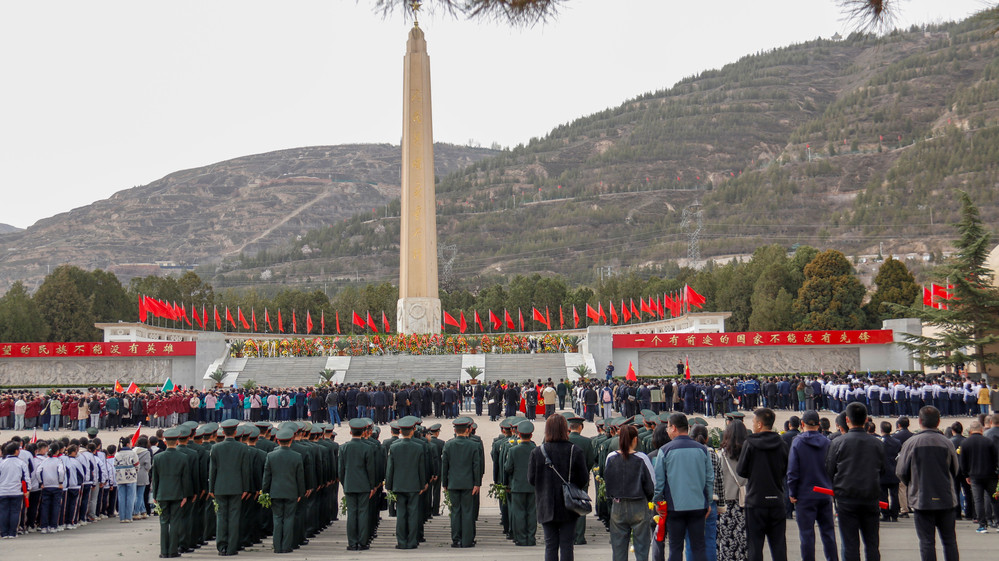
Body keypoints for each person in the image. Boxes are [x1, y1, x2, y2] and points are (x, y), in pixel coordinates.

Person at [897, 406, 960, 561]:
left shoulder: (911, 443)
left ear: (919, 421)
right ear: (938, 422)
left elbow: (901, 472)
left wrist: (912, 484)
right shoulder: (947, 443)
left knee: (926, 542)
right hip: (945, 497)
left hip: (921, 498)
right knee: (950, 541)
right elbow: (955, 469)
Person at [826, 402, 885, 561]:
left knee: (850, 544)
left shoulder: (838, 442)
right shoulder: (877, 443)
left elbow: (829, 470)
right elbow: (884, 470)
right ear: (866, 419)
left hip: (846, 498)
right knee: (872, 544)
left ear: (847, 419)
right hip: (870, 497)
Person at [529, 414, 588, 561]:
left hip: (546, 503)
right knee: (567, 544)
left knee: (550, 545)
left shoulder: (537, 452)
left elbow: (531, 479)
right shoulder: (575, 451)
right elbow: (583, 479)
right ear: (565, 429)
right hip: (568, 504)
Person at [737, 408, 789, 561]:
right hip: (777, 499)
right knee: (779, 546)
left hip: (755, 500)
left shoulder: (750, 443)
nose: (752, 425)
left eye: (753, 422)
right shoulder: (782, 443)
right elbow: (786, 469)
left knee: (755, 546)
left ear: (759, 424)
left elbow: (741, 470)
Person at [786, 410, 837, 561]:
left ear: (802, 424)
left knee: (806, 534)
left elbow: (793, 470)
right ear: (819, 424)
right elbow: (833, 468)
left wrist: (792, 492)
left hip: (805, 494)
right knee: (828, 533)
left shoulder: (798, 442)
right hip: (824, 492)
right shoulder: (828, 442)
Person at [607, 424, 654, 561]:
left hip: (618, 505)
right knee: (642, 548)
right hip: (638, 504)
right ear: (635, 440)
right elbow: (651, 485)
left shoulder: (611, 458)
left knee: (618, 548)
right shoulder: (642, 458)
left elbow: (608, 481)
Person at [385, 415, 428, 550]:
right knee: (413, 513)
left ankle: (401, 541)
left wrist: (389, 485)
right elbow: (421, 468)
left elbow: (390, 469)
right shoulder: (418, 447)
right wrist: (423, 484)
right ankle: (412, 541)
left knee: (401, 514)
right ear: (413, 430)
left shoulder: (394, 447)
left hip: (399, 485)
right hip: (414, 485)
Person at [209, 418, 251, 556]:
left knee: (221, 516)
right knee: (234, 517)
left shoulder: (215, 447)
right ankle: (232, 546)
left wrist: (211, 488)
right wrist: (246, 488)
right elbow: (245, 470)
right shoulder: (243, 447)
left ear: (223, 432)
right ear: (235, 432)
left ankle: (221, 546)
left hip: (220, 486)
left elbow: (212, 470)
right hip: (237, 486)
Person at [151, 428, 192, 559]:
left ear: (165, 440)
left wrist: (155, 495)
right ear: (177, 440)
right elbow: (185, 479)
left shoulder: (157, 458)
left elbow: (155, 478)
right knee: (175, 522)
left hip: (162, 493)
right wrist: (185, 495)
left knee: (163, 523)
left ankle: (164, 551)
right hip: (177, 493)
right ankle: (173, 550)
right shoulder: (183, 457)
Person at [262, 427, 304, 553]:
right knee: (289, 518)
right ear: (291, 441)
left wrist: (265, 492)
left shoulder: (270, 456)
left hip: (275, 492)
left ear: (278, 441)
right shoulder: (297, 456)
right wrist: (300, 493)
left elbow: (267, 477)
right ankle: (286, 546)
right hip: (291, 491)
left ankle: (277, 546)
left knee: (277, 518)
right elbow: (300, 477)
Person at [441, 416, 482, 548]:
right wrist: (477, 483)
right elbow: (477, 466)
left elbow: (444, 466)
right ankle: (467, 540)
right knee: (468, 511)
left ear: (455, 429)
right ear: (468, 430)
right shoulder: (474, 445)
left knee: (455, 511)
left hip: (453, 483)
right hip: (468, 483)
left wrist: (445, 483)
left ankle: (456, 539)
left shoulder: (448, 444)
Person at [716, 421, 749, 561]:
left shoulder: (722, 455)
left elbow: (717, 479)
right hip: (745, 502)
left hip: (726, 504)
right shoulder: (749, 453)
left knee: (725, 543)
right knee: (743, 543)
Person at [959, 420, 998, 533]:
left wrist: (966, 474)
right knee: (994, 499)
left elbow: (963, 462)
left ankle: (982, 525)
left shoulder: (965, 443)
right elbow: (995, 458)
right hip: (990, 475)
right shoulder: (988, 442)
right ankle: (998, 522)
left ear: (970, 431)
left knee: (978, 500)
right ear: (981, 430)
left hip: (974, 476)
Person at [506, 420, 538, 546]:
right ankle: (531, 538)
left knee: (519, 512)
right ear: (531, 435)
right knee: (532, 512)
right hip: (532, 486)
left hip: (518, 485)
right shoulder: (536, 449)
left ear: (518, 434)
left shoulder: (513, 450)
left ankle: (521, 538)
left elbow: (508, 468)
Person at [567, 414, 596, 545]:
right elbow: (591, 460)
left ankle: (568, 535)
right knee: (580, 506)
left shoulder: (564, 440)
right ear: (581, 427)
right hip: (581, 478)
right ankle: (579, 537)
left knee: (567, 506)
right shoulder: (586, 442)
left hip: (565, 479)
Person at [0, 442, 29, 539]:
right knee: (15, 512)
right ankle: (12, 532)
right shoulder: (21, 463)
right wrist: (27, 490)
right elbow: (26, 478)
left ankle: (4, 533)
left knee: (3, 512)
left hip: (3, 491)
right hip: (16, 491)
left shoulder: (2, 462)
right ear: (16, 451)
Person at [114, 436, 139, 523]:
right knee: (130, 497)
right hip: (131, 477)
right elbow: (137, 465)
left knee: (121, 497)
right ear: (128, 444)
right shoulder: (132, 453)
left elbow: (115, 465)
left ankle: (122, 517)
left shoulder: (117, 454)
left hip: (120, 477)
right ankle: (128, 517)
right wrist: (135, 471)